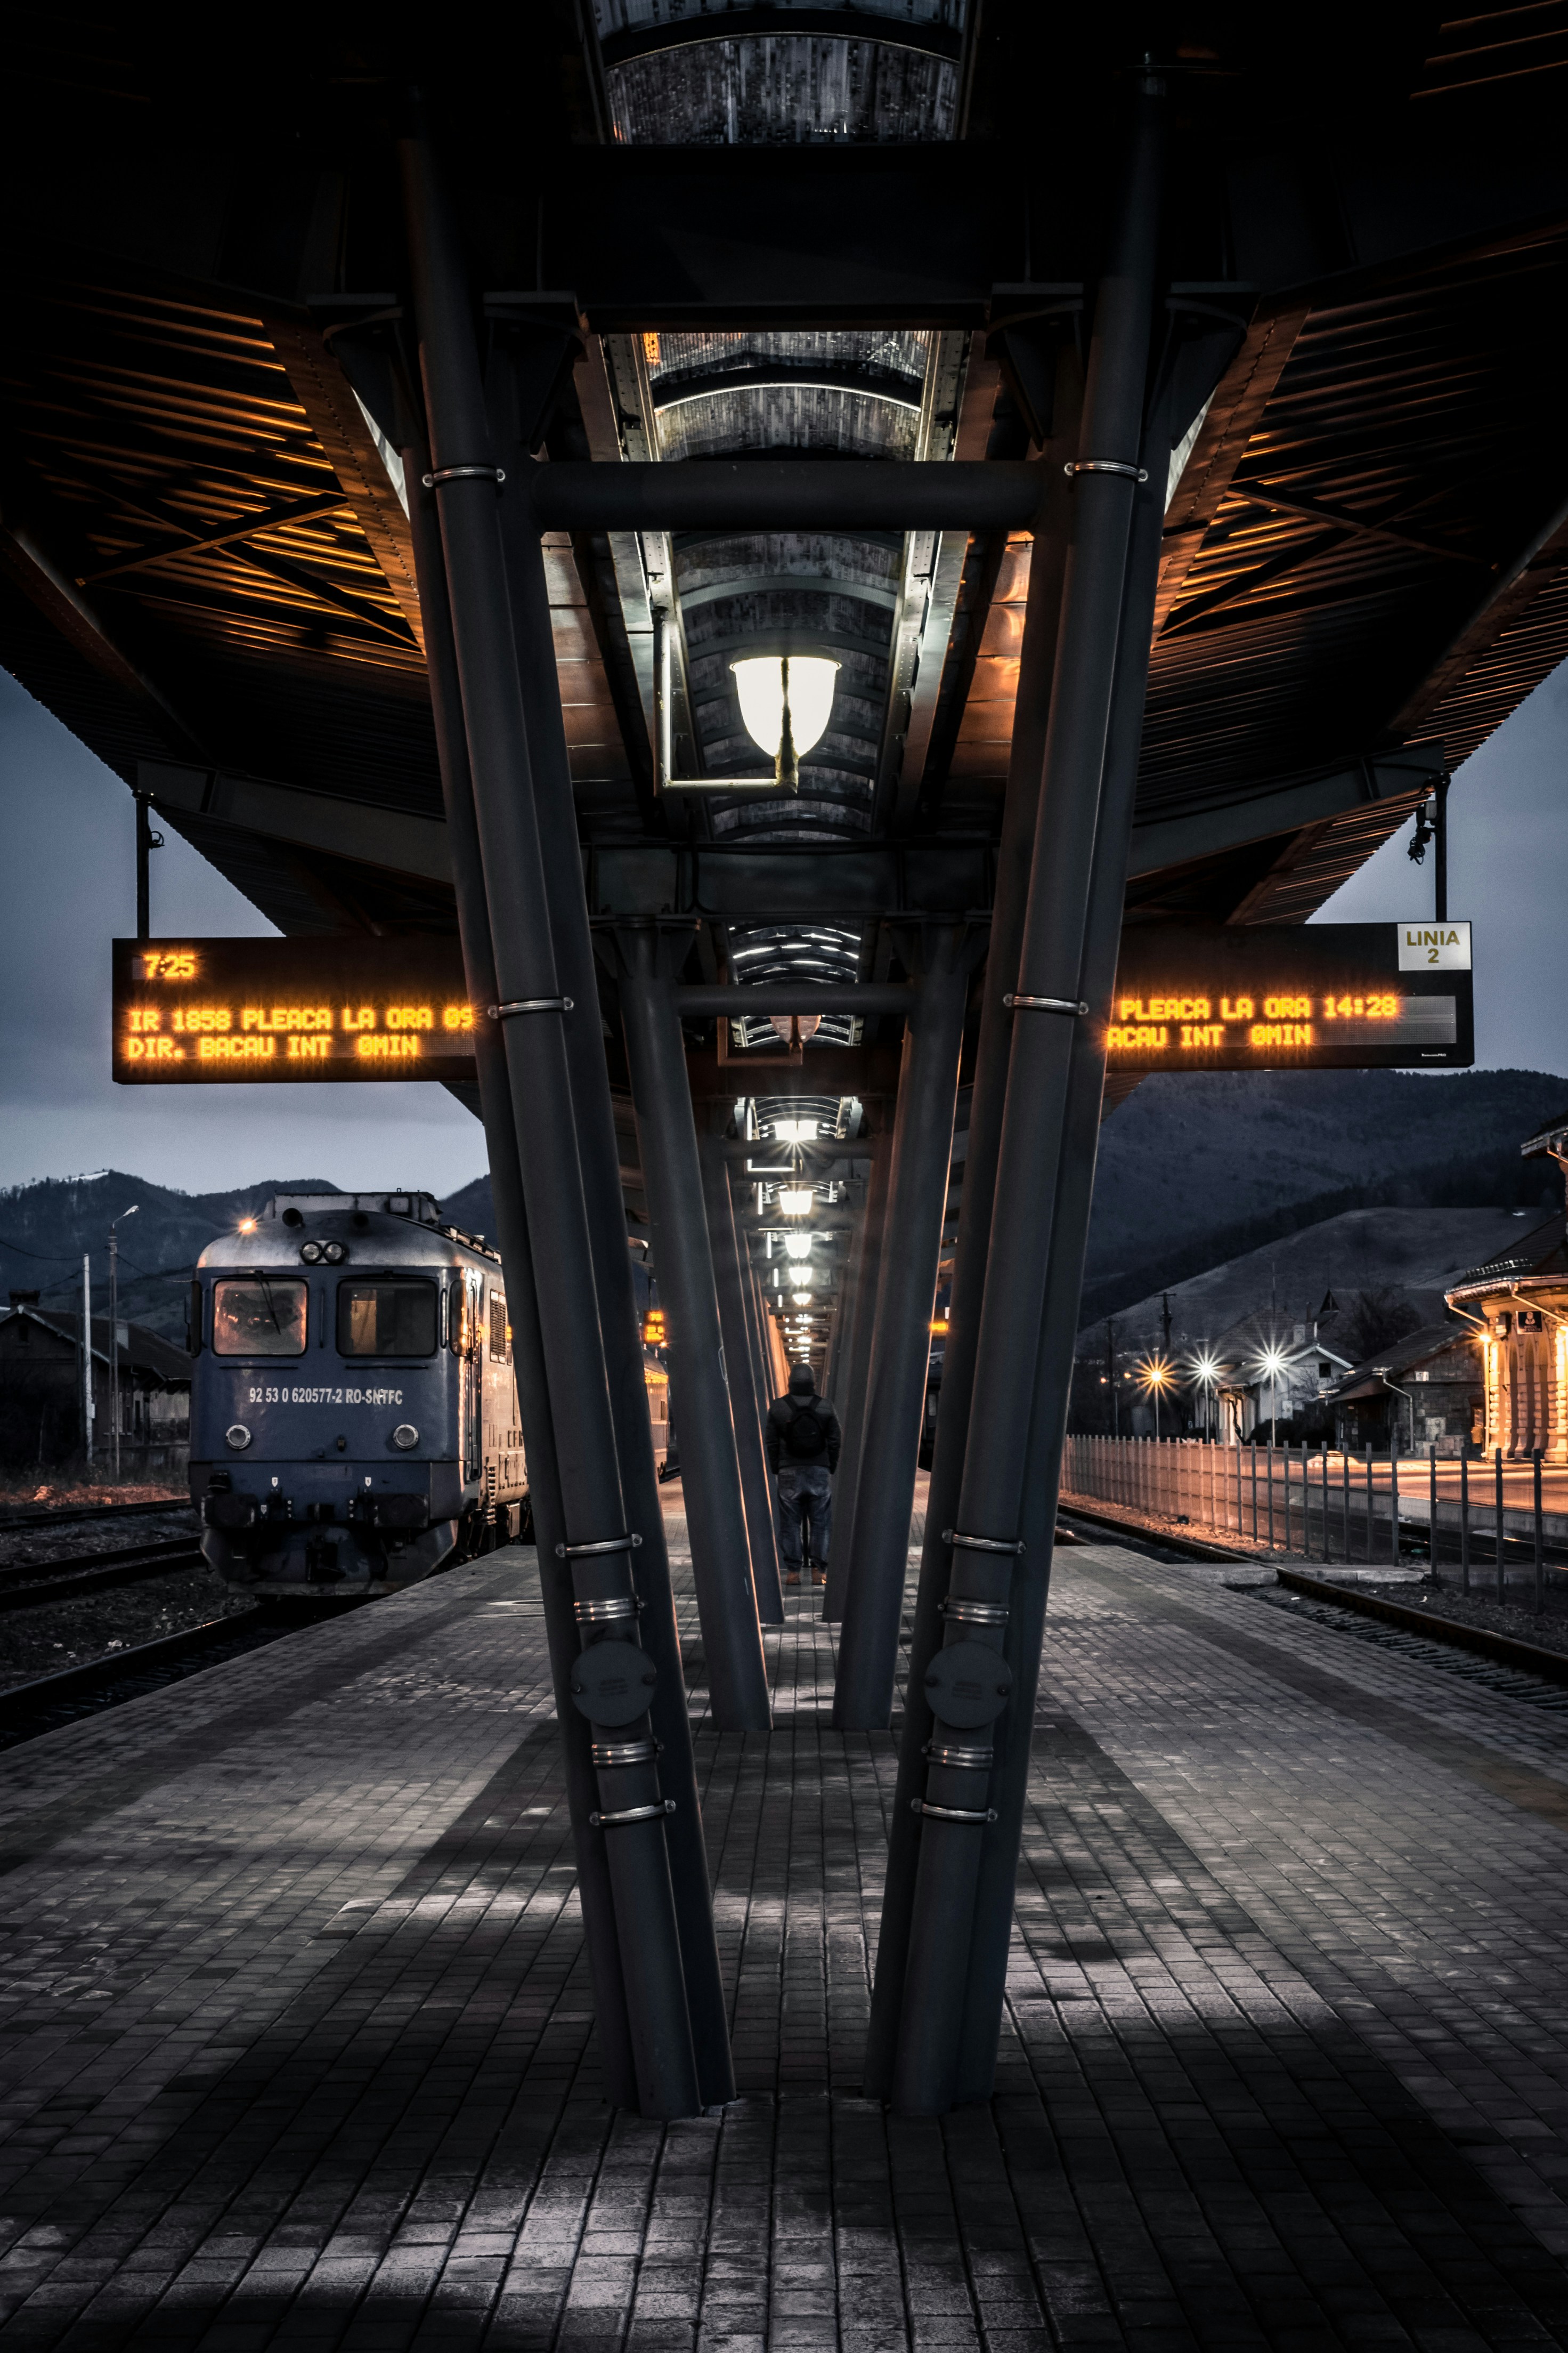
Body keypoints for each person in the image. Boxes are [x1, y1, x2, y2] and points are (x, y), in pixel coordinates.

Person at [766, 1361, 841, 1588]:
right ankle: (819, 1571)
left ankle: (793, 1572)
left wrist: (776, 1467)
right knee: (821, 1523)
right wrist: (831, 1466)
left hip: (789, 1472)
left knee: (790, 1523)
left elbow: (770, 1441)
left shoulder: (779, 1408)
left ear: (790, 1382)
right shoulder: (825, 1407)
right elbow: (836, 1440)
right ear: (813, 1383)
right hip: (819, 1471)